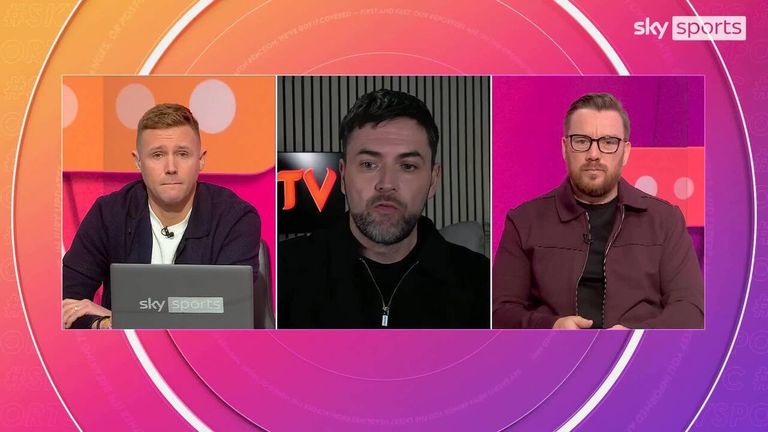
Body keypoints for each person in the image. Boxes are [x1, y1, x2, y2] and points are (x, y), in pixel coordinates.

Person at [278, 89, 489, 329]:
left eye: (408, 166)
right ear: (343, 176)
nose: (387, 184)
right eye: (369, 164)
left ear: (433, 180)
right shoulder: (283, 272)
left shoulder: (481, 282)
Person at [493, 93, 704, 329]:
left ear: (625, 152)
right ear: (565, 148)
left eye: (608, 142)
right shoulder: (523, 221)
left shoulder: (665, 220)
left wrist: (634, 336)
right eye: (582, 141)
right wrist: (551, 326)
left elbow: (690, 309)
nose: (594, 154)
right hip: (555, 350)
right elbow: (500, 312)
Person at [63, 103, 271, 329]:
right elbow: (67, 301)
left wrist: (121, 319)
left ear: (201, 159)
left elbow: (226, 314)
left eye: (182, 154)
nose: (171, 167)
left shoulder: (236, 218)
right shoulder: (108, 214)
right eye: (157, 155)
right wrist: (103, 325)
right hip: (125, 349)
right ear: (138, 162)